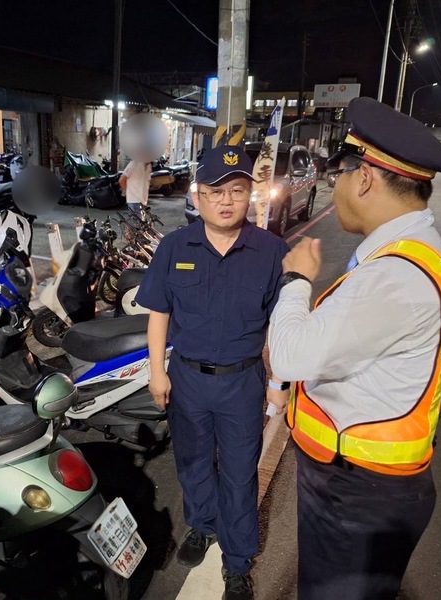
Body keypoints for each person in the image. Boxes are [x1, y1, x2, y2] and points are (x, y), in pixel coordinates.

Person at [267, 97, 441, 600]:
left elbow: (290, 355)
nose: (336, 186)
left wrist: (295, 280)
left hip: (357, 494)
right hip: (368, 484)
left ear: (367, 178)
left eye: (340, 174)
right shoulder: (414, 253)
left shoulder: (394, 275)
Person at [135, 145, 289, 600]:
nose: (226, 201)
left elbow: (282, 326)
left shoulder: (272, 251)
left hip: (243, 382)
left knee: (241, 473)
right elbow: (159, 312)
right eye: (215, 191)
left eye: (237, 191)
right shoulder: (173, 247)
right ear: (197, 197)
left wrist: (278, 385)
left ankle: (238, 562)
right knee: (193, 463)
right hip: (186, 379)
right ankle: (202, 525)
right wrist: (156, 372)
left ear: (250, 196)